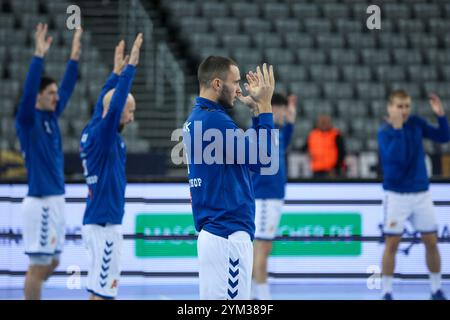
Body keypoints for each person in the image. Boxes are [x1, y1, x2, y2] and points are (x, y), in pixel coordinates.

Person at [183, 57, 276, 300]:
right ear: (216, 84)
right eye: (234, 82)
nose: (239, 88)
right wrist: (265, 107)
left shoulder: (197, 118)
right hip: (227, 234)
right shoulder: (216, 121)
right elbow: (264, 160)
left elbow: (251, 159)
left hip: (217, 234)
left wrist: (256, 112)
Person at [15, 23, 82, 300]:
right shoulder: (28, 122)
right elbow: (29, 92)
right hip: (40, 202)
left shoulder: (52, 118)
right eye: (51, 93)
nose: (57, 97)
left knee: (52, 261)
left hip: (55, 200)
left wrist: (75, 57)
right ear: (39, 97)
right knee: (38, 265)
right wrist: (38, 56)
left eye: (56, 94)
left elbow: (67, 87)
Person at [79, 34, 143, 300]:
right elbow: (112, 105)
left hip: (100, 222)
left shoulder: (95, 130)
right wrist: (130, 69)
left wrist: (115, 73)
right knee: (104, 295)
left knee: (99, 291)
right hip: (104, 225)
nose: (131, 116)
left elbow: (102, 105)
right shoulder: (104, 137)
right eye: (130, 111)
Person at [378, 89, 449, 300]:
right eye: (399, 106)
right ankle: (387, 292)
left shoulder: (417, 123)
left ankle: (436, 289)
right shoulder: (385, 132)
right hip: (396, 195)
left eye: (407, 106)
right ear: (390, 108)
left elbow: (444, 137)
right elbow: (396, 161)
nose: (404, 110)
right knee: (392, 244)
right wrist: (398, 130)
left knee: (431, 241)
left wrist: (440, 115)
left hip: (421, 193)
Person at [250, 93, 296, 300]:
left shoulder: (277, 133)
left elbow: (284, 142)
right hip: (264, 198)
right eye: (282, 109)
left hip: (273, 196)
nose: (284, 114)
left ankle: (251, 294)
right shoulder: (260, 132)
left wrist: (291, 122)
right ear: (273, 109)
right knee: (262, 248)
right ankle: (263, 296)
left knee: (260, 248)